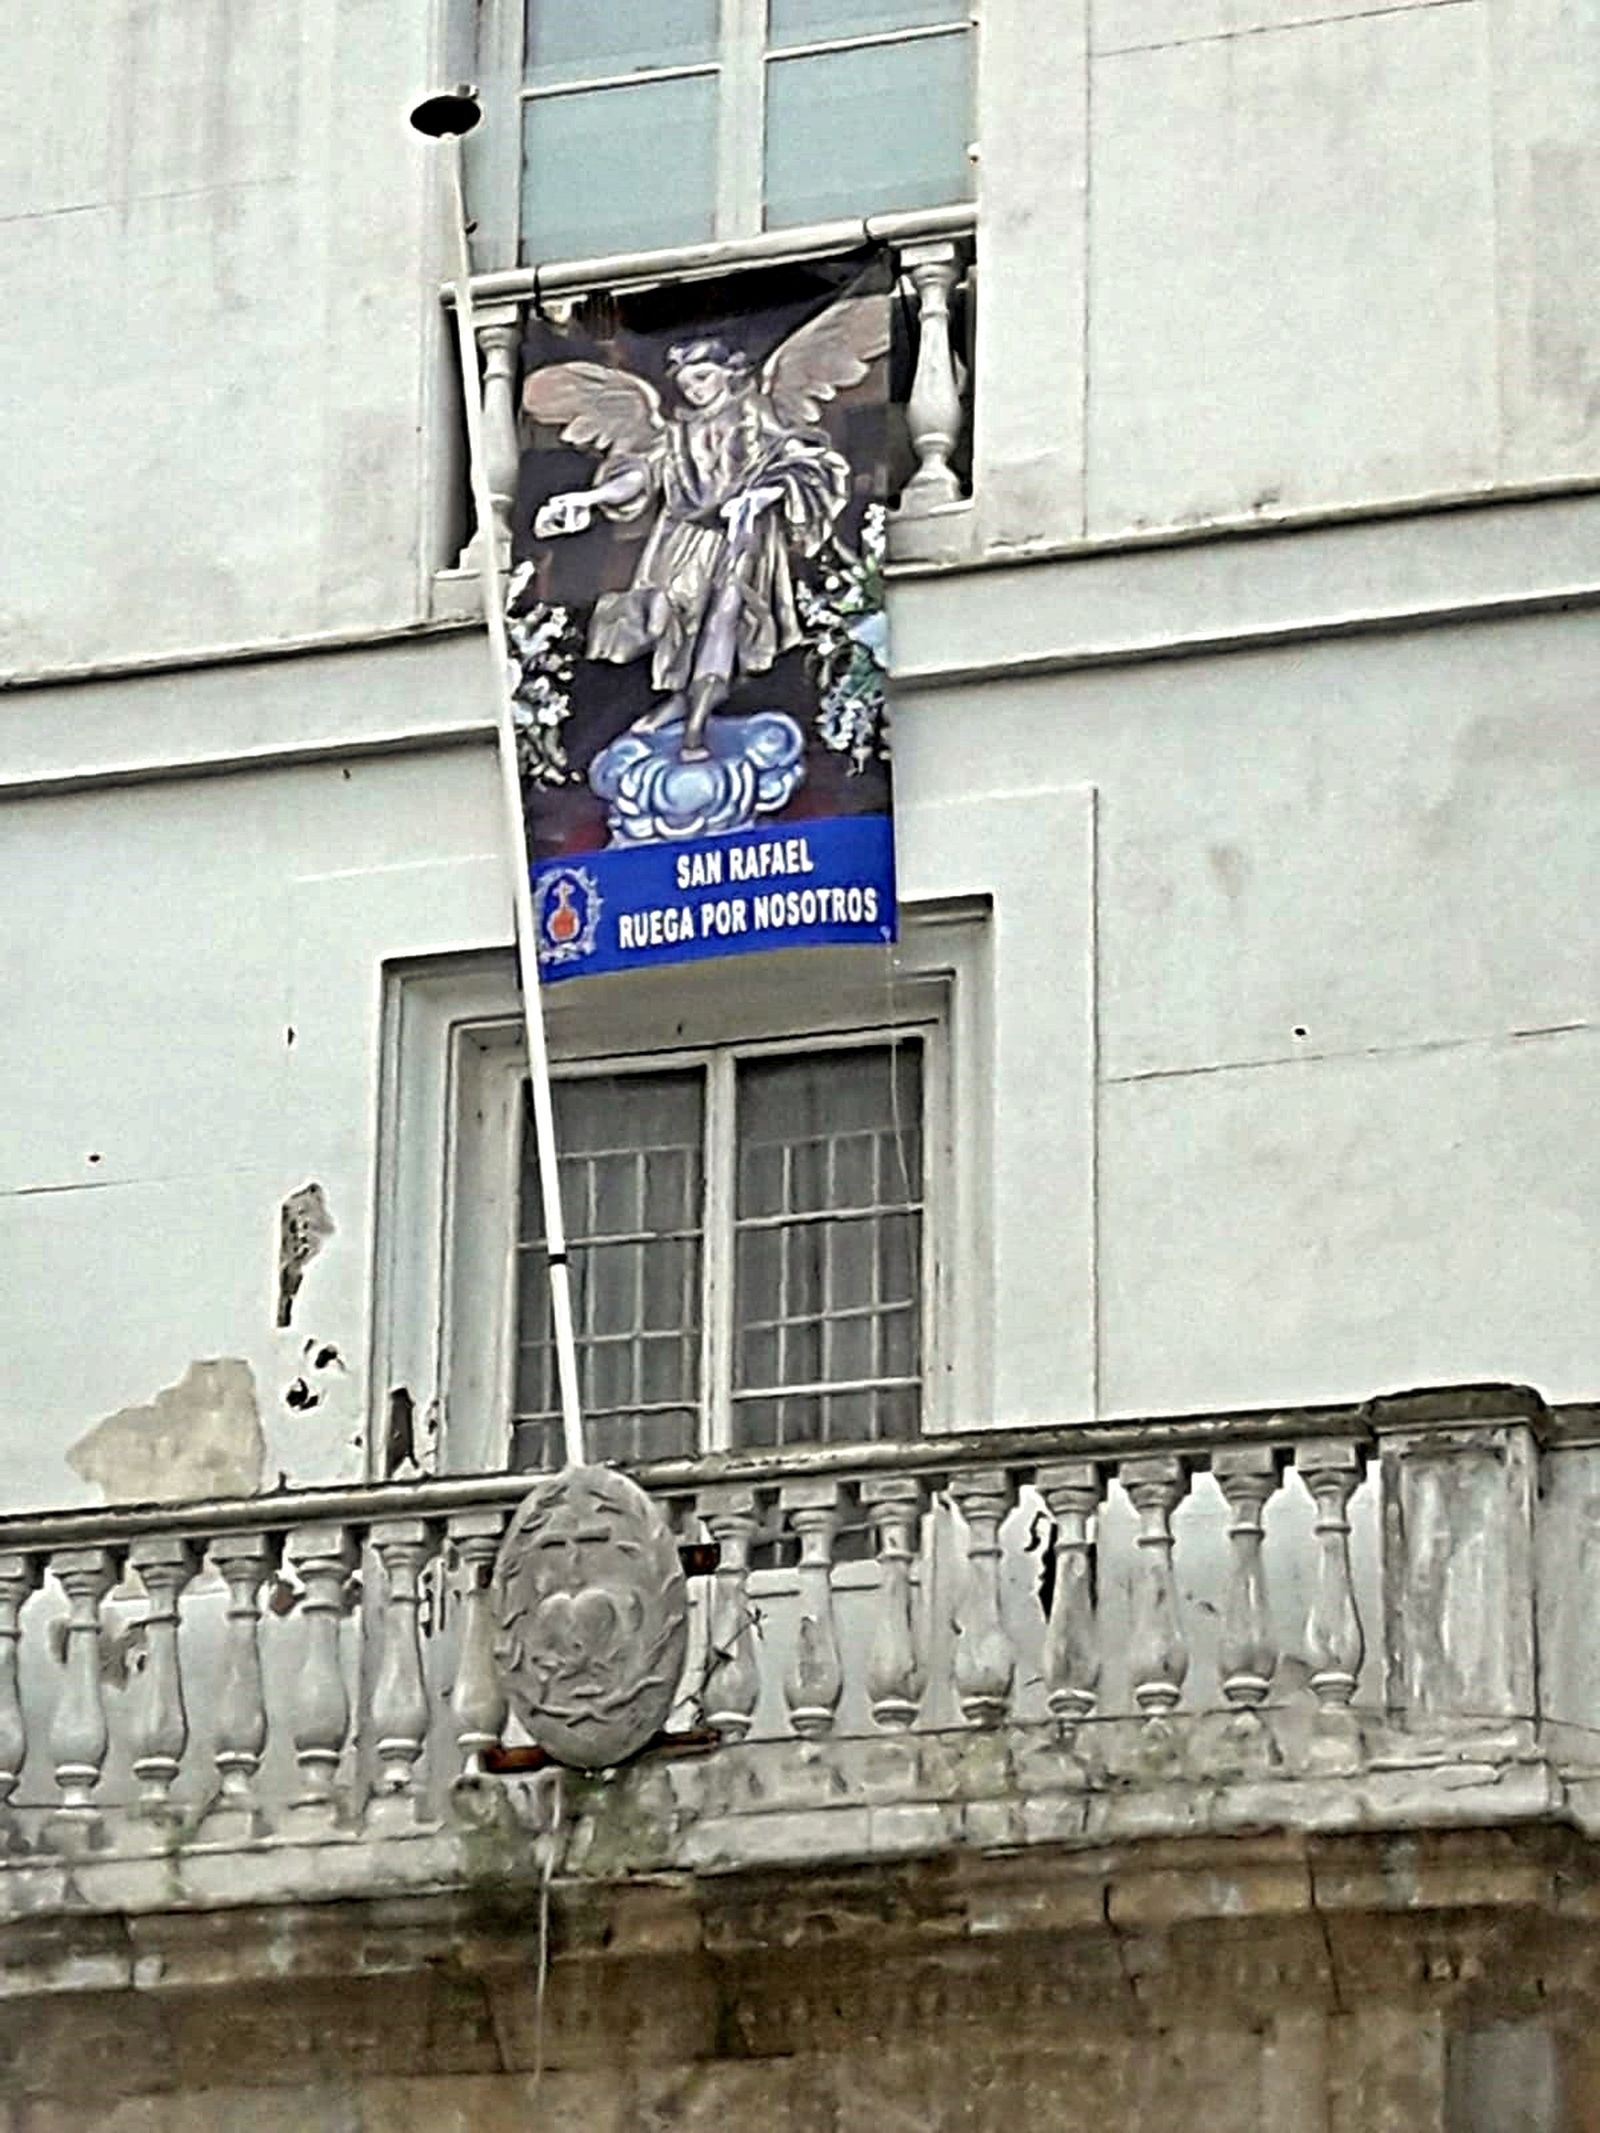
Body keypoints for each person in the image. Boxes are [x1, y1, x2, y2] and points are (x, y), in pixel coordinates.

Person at [527, 315, 878, 759]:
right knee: (661, 620)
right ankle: (681, 699)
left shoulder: (756, 413)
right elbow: (640, 474)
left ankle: (696, 723)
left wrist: (760, 495)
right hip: (682, 539)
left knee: (726, 614)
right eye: (686, 380)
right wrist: (590, 498)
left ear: (727, 374)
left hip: (740, 532)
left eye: (702, 376)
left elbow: (797, 458)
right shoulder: (674, 432)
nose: (693, 388)